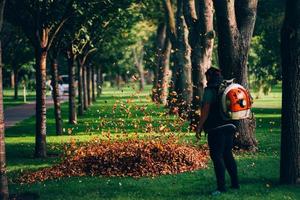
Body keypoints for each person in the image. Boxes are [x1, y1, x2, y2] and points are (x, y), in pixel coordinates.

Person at [196, 67, 240, 195]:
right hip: (230, 126)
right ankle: (235, 184)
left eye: (206, 77)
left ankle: (221, 188)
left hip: (216, 128)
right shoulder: (227, 87)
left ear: (209, 77)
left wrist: (199, 127)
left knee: (217, 156)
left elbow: (205, 110)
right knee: (227, 154)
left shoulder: (210, 90)